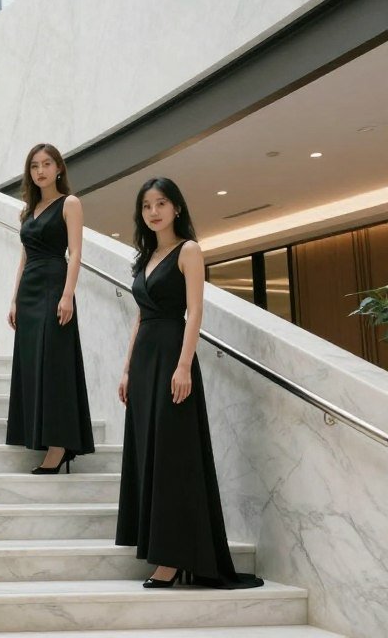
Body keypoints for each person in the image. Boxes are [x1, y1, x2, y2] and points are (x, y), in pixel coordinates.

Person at [115, 177, 263, 590]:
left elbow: (195, 312)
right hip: (144, 361)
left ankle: (173, 559)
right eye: (147, 206)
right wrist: (126, 369)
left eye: (162, 203)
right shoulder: (144, 256)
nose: (154, 212)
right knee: (150, 454)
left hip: (172, 358)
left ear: (176, 207)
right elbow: (140, 316)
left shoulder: (189, 251)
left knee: (173, 457)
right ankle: (161, 550)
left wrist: (183, 366)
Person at [5, 144, 95, 473]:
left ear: (59, 168)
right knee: (33, 366)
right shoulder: (28, 211)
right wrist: (14, 298)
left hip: (55, 286)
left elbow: (75, 253)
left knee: (54, 364)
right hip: (29, 290)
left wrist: (68, 294)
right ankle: (42, 437)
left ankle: (60, 445)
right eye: (34, 166)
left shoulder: (69, 203)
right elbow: (23, 256)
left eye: (46, 164)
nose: (40, 170)